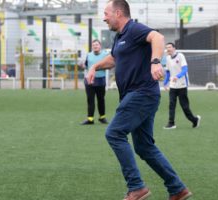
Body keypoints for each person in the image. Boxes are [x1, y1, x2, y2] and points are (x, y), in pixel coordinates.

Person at [86, 0, 192, 199]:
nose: (104, 17)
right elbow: (114, 59)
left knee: (114, 133)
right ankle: (177, 188)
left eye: (106, 13)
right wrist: (94, 67)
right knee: (144, 147)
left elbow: (158, 37)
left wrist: (155, 62)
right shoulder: (119, 38)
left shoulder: (134, 29)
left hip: (141, 93)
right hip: (138, 96)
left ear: (118, 13)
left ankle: (136, 186)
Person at [163, 43, 201, 129]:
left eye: (169, 47)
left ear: (174, 48)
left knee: (184, 106)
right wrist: (165, 83)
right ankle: (171, 123)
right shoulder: (168, 58)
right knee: (171, 104)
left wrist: (178, 76)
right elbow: (168, 72)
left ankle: (194, 120)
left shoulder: (180, 56)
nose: (168, 49)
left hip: (182, 85)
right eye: (166, 48)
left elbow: (185, 69)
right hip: (173, 85)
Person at [81, 40, 109, 125]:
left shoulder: (105, 55)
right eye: (93, 45)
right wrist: (82, 66)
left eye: (97, 45)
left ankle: (102, 117)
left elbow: (109, 65)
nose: (95, 46)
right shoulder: (89, 55)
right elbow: (85, 66)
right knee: (90, 100)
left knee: (101, 100)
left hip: (101, 81)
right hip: (90, 81)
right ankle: (90, 119)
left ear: (100, 46)